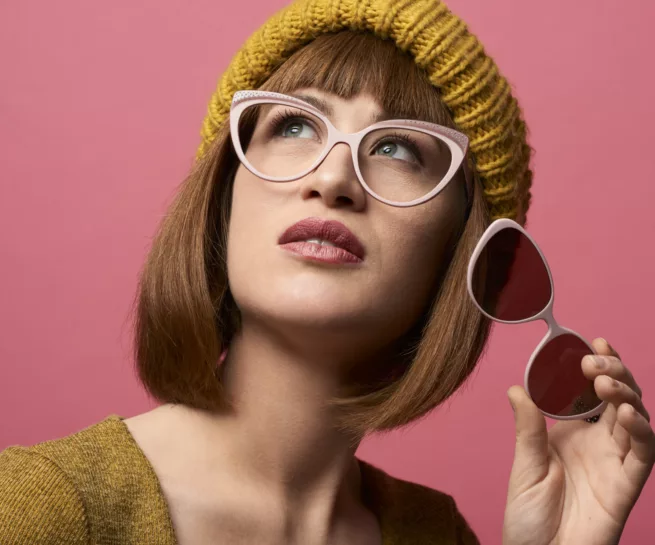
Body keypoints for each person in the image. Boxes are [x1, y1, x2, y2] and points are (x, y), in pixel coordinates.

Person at [1, 0, 653, 543]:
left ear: (461, 254)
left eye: (397, 147)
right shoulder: (42, 510)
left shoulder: (437, 534)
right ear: (224, 194)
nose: (334, 177)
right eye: (292, 125)